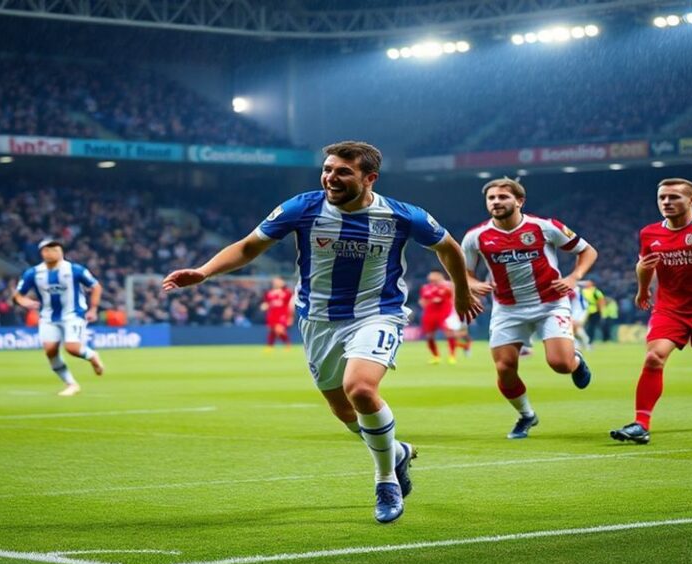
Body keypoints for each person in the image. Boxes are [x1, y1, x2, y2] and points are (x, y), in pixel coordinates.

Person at [163, 141, 482, 523]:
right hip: (317, 321)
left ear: (369, 178)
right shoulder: (302, 208)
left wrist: (461, 290)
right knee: (343, 409)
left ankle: (386, 481)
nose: (331, 177)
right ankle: (396, 452)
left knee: (360, 389)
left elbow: (448, 247)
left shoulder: (401, 215)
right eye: (328, 169)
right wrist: (204, 272)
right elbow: (249, 247)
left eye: (343, 171)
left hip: (377, 313)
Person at [461, 178, 597, 439]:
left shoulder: (545, 227)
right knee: (504, 368)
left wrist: (574, 277)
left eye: (503, 197)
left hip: (550, 303)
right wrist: (474, 284)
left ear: (519, 201)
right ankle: (526, 415)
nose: (496, 202)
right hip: (508, 309)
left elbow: (588, 251)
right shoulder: (475, 237)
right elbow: (465, 273)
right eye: (491, 198)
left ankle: (575, 360)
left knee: (560, 364)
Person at [611, 178, 692, 444]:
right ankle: (640, 424)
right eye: (662, 197)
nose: (666, 202)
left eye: (674, 197)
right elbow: (644, 264)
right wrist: (643, 290)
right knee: (654, 358)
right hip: (670, 309)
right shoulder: (649, 233)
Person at [13, 238, 104, 396]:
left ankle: (92, 356)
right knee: (50, 351)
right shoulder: (33, 273)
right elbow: (18, 295)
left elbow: (95, 286)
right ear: (42, 253)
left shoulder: (75, 270)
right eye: (47, 250)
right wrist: (24, 302)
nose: (52, 252)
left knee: (72, 348)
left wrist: (94, 309)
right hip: (48, 317)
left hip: (73, 314)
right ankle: (71, 384)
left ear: (61, 252)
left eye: (55, 249)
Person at [418, 270, 459, 364]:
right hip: (429, 314)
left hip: (445, 314)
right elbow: (422, 300)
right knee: (429, 336)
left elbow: (454, 297)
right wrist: (424, 303)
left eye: (433, 275)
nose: (431, 277)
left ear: (439, 275)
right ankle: (435, 356)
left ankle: (452, 356)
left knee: (449, 333)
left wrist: (455, 311)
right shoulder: (425, 287)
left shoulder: (449, 286)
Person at [260, 276, 294, 349]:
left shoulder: (287, 293)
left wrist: (290, 317)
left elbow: (290, 305)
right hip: (272, 314)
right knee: (272, 331)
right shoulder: (269, 293)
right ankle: (270, 346)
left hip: (282, 314)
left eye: (278, 281)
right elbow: (267, 303)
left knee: (279, 330)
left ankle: (288, 344)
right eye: (275, 281)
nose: (276, 282)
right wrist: (264, 306)